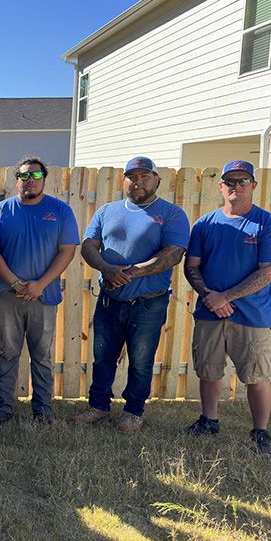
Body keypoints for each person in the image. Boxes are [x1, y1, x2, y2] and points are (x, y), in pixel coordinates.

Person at [75, 156, 190, 431]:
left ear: (157, 180)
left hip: (148, 303)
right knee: (103, 357)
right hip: (109, 300)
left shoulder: (172, 214)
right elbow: (89, 247)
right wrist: (107, 268)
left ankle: (133, 411)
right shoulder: (107, 211)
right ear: (123, 180)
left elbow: (172, 254)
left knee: (141, 359)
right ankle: (98, 406)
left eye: (145, 176)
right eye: (132, 176)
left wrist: (128, 273)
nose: (138, 181)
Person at [182, 160, 271, 455]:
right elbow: (192, 268)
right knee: (209, 370)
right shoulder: (205, 224)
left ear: (253, 186)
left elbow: (268, 272)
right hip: (209, 312)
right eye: (230, 181)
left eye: (242, 181)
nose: (236, 186)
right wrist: (209, 295)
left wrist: (225, 297)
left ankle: (260, 432)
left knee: (256, 375)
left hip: (252, 316)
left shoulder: (268, 224)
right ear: (221, 187)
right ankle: (208, 421)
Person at [0, 157, 79, 425]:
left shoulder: (60, 211)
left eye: (35, 176)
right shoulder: (0, 212)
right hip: (8, 296)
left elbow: (68, 251)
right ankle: (3, 408)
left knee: (42, 356)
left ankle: (42, 410)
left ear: (44, 180)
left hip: (44, 296)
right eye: (24, 176)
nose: (29, 181)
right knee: (8, 354)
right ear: (16, 179)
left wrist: (41, 284)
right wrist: (15, 283)